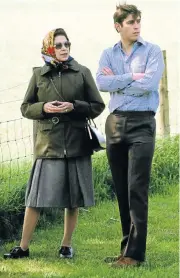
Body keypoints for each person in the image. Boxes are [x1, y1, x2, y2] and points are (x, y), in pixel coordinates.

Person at [4, 28, 105, 259]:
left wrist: (74, 106)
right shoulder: (39, 74)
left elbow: (97, 106)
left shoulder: (82, 72)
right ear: (49, 48)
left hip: (77, 143)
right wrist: (44, 108)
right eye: (58, 45)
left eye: (66, 44)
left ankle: (66, 245)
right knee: (35, 198)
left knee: (73, 200)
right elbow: (25, 107)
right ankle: (23, 247)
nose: (63, 48)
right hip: (48, 145)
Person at [96, 4, 164, 267]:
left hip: (142, 124)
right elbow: (102, 83)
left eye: (138, 22)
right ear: (118, 26)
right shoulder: (107, 53)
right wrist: (132, 76)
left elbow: (149, 84)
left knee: (137, 189)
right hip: (114, 124)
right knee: (122, 190)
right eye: (131, 22)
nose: (137, 26)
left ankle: (135, 255)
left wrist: (120, 82)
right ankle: (126, 250)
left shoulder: (152, 51)